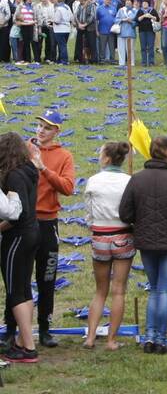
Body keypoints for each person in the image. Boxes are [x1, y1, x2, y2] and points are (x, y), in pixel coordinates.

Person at [4, 110, 75, 350]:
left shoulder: (64, 155)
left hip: (47, 223)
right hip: (20, 222)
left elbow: (67, 187)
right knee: (17, 278)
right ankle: (11, 329)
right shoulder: (21, 150)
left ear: (57, 131)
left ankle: (45, 328)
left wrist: (44, 168)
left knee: (47, 277)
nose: (41, 131)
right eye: (39, 126)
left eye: (47, 127)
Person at [118, 136, 167, 354]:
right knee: (165, 290)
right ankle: (161, 338)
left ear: (149, 152)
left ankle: (149, 336)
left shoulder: (137, 179)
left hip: (146, 241)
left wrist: (140, 223)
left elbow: (125, 213)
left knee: (153, 289)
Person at [84, 141, 134, 350]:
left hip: (100, 236)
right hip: (123, 234)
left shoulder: (93, 181)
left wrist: (93, 225)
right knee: (119, 290)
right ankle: (112, 340)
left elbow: (88, 211)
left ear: (106, 158)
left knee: (100, 291)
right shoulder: (129, 181)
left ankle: (90, 337)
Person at [0, 133, 38, 363]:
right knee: (24, 289)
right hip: (32, 233)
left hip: (18, 236)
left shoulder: (13, 176)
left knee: (15, 292)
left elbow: (17, 213)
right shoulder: (29, 170)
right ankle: (24, 340)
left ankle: (28, 347)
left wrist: (0, 228)